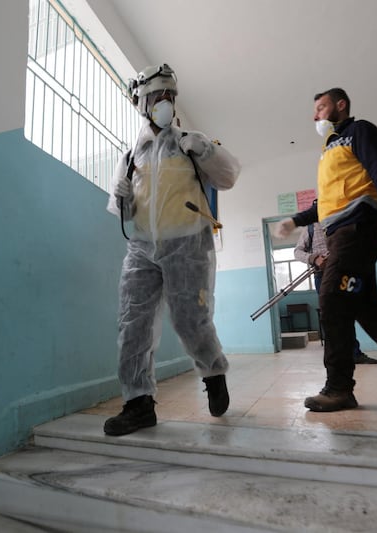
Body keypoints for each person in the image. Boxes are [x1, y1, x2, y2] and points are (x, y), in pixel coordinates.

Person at [274, 87, 377, 412]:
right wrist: (294, 220)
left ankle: (338, 388)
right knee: (368, 309)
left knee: (332, 300)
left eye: (320, 108)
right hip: (340, 231)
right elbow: (325, 204)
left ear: (341, 105)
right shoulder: (328, 151)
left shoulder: (358, 131)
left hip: (357, 228)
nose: (315, 116)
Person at [104, 64, 241, 435]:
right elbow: (123, 211)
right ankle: (138, 403)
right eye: (158, 97)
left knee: (189, 318)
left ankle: (213, 372)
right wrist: (121, 197)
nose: (165, 103)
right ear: (143, 103)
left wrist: (207, 150)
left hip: (187, 243)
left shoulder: (188, 143)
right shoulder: (131, 157)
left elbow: (227, 177)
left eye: (170, 96)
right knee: (132, 322)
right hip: (142, 247)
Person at [292, 215, 377, 365]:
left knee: (348, 313)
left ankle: (354, 353)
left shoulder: (342, 221)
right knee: (332, 316)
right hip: (323, 275)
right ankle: (338, 357)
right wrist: (314, 258)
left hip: (345, 272)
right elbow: (297, 252)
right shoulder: (311, 228)